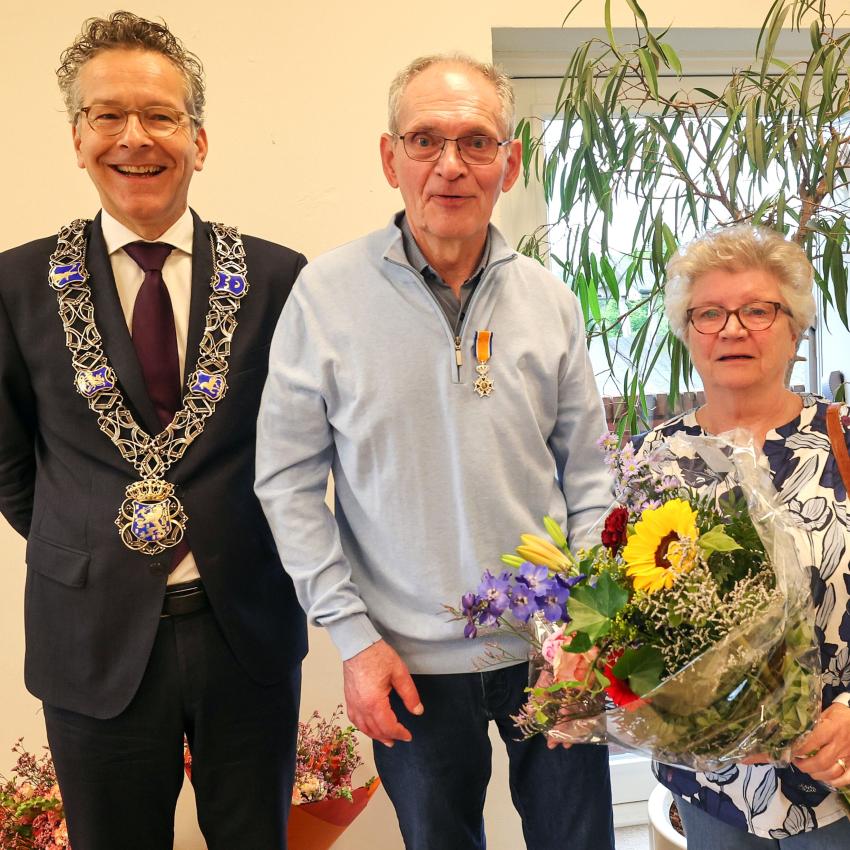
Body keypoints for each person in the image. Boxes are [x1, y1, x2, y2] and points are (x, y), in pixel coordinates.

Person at [255, 53, 615, 850]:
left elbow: (591, 475)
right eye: (425, 140)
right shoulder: (325, 296)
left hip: (549, 650)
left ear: (509, 162)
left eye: (476, 142)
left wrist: (585, 630)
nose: (450, 165)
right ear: (391, 158)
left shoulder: (550, 302)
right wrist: (353, 638)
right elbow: (284, 483)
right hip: (402, 664)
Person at [0, 12, 306, 850]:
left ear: (198, 139)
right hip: (88, 633)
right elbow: (10, 464)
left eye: (160, 116)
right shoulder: (16, 284)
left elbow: (301, 450)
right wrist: (95, 538)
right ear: (76, 137)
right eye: (107, 115)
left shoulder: (279, 278)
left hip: (243, 624)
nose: (134, 138)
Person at [637, 224, 850, 848]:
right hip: (710, 784)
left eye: (757, 310)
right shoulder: (656, 457)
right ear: (688, 333)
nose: (732, 329)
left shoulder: (843, 438)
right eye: (709, 313)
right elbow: (633, 616)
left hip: (834, 773)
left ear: (795, 328)